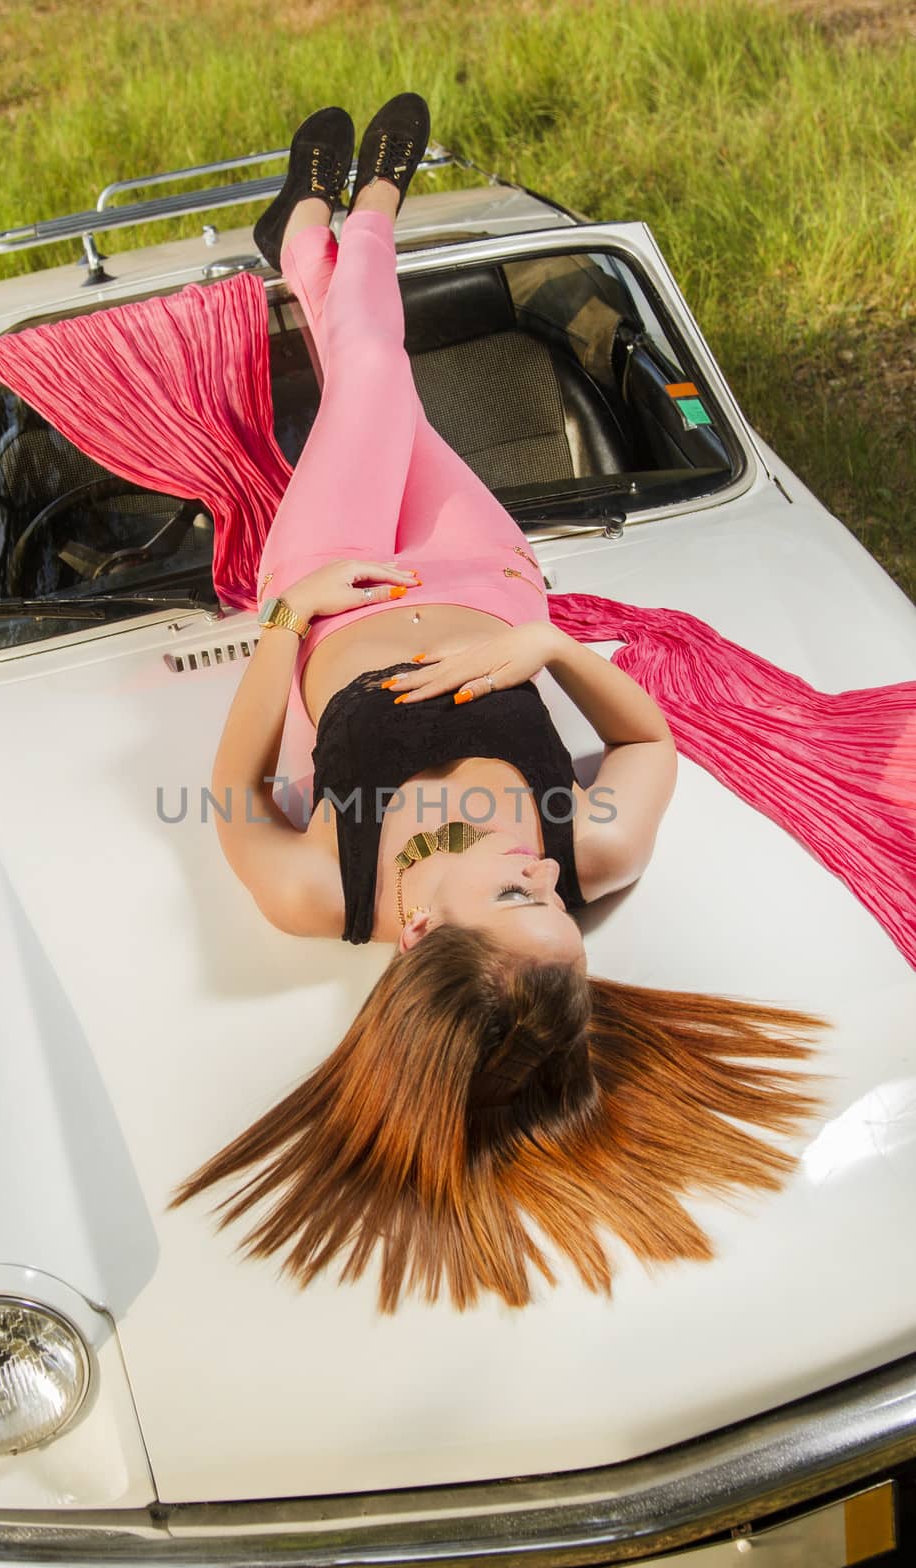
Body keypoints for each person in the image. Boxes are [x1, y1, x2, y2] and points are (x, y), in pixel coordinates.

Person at [167, 96, 830, 1311]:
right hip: (484, 569)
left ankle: (354, 214)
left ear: (420, 933)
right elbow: (645, 737)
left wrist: (284, 621)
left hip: (332, 585)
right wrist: (549, 646)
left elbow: (234, 797)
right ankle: (309, 241)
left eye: (515, 895)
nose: (546, 876)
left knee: (373, 374)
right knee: (383, 386)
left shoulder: (328, 892)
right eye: (562, 912)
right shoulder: (594, 846)